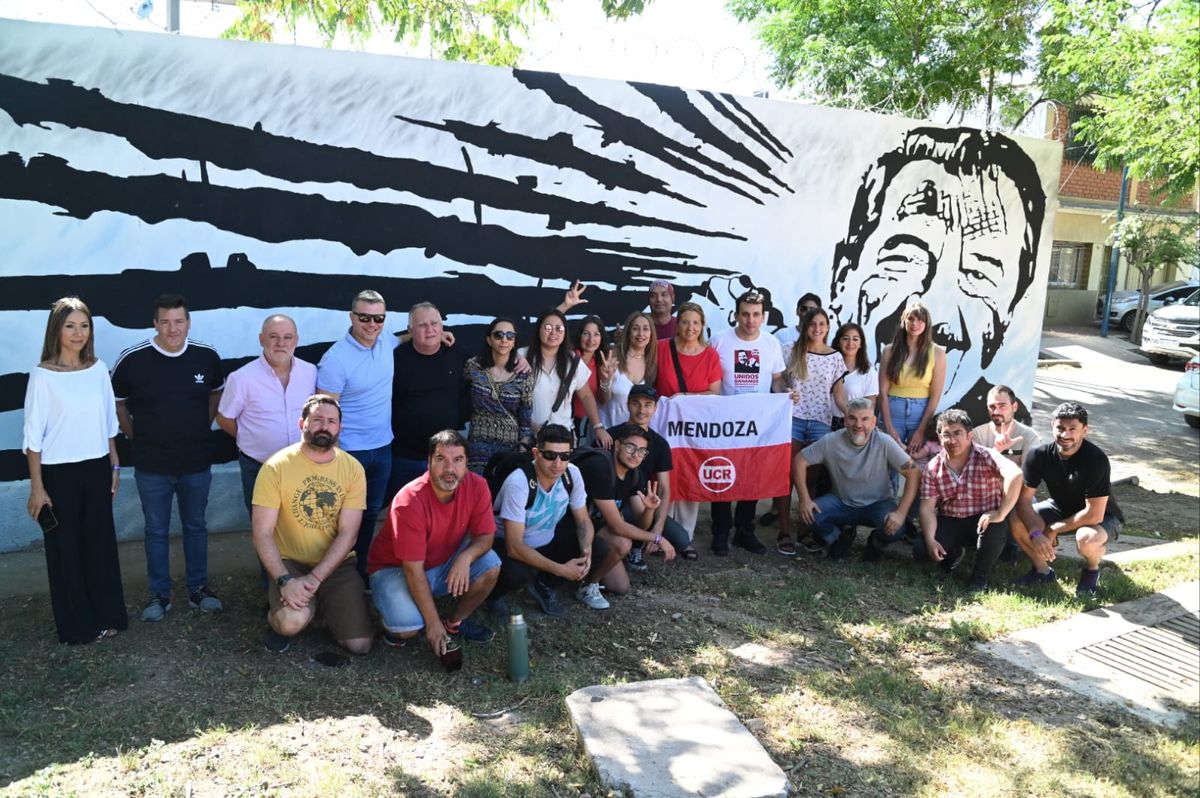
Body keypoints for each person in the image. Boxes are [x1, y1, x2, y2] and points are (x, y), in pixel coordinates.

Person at [828, 126, 1046, 415]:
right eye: (904, 257)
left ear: (1007, 314)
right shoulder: (821, 400)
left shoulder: (992, 437)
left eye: (978, 273)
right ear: (843, 277)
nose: (934, 314)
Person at [111, 293, 224, 622]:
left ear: (188, 322)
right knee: (155, 531)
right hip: (152, 465)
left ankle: (198, 589)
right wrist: (136, 435)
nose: (173, 329)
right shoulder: (133, 359)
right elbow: (117, 403)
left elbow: (216, 393)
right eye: (165, 322)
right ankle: (159, 595)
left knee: (196, 526)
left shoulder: (206, 357)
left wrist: (201, 427)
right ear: (155, 323)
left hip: (196, 463)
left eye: (179, 321)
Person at [23, 297, 127, 644]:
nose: (78, 333)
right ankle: (77, 626)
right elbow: (33, 438)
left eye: (84, 326)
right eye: (70, 326)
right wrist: (38, 488)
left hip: (96, 467)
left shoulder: (98, 369)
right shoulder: (42, 376)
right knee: (66, 549)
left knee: (99, 545)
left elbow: (109, 423)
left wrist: (113, 463)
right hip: (58, 473)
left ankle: (108, 616)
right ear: (56, 330)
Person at [251, 395, 373, 654]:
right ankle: (282, 613)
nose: (324, 426)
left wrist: (316, 578)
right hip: (290, 564)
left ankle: (320, 606)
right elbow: (262, 533)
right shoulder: (276, 467)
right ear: (301, 424)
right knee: (289, 623)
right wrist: (285, 580)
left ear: (339, 427)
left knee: (360, 645)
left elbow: (349, 534)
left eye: (331, 421)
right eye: (317, 419)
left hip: (336, 565)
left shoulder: (353, 469)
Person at [367, 430, 501, 654]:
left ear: (467, 462)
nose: (450, 469)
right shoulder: (410, 501)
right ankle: (393, 609)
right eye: (441, 459)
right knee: (406, 628)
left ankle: (455, 623)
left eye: (458, 460)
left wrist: (465, 558)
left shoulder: (478, 485)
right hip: (396, 569)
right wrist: (432, 624)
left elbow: (486, 536)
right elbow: (412, 569)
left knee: (491, 564)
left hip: (441, 561)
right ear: (428, 462)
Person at [486, 424, 617, 616]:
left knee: (598, 548)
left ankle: (544, 584)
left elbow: (582, 520)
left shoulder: (572, 474)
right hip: (507, 543)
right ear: (536, 453)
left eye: (564, 456)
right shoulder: (519, 482)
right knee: (516, 573)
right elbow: (514, 546)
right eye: (550, 455)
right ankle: (493, 596)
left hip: (546, 538)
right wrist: (562, 570)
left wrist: (586, 550)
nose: (557, 463)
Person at [317, 290, 396, 579]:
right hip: (349, 452)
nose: (371, 324)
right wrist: (333, 457)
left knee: (369, 514)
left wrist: (441, 334)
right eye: (364, 317)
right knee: (339, 519)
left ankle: (359, 571)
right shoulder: (336, 359)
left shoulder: (386, 341)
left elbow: (405, 337)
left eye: (378, 318)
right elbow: (324, 415)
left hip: (383, 449)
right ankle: (333, 575)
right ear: (351, 317)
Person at [1010, 402, 1125, 598]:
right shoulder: (1038, 455)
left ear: (1085, 431)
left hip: (1103, 516)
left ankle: (1091, 569)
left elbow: (1094, 513)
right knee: (1015, 518)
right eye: (1060, 428)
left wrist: (1053, 529)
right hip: (1060, 507)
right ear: (1051, 426)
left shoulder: (1096, 459)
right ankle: (1042, 571)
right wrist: (1036, 532)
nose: (1065, 435)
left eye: (1073, 429)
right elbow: (1023, 500)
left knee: (1086, 538)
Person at [709, 290, 787, 556]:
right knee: (722, 474)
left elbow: (777, 379)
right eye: (745, 314)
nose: (750, 320)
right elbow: (710, 379)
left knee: (751, 476)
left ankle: (745, 531)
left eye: (755, 315)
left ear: (763, 316)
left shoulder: (771, 343)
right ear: (736, 314)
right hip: (725, 422)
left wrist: (786, 393)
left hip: (758, 423)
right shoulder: (719, 340)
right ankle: (720, 532)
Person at [793, 397, 919, 561]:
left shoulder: (884, 442)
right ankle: (839, 537)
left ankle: (876, 543)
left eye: (865, 419)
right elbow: (799, 461)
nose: (858, 424)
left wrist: (901, 513)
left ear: (874, 422)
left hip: (878, 504)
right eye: (852, 418)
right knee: (810, 516)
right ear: (845, 420)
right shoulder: (831, 441)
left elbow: (914, 472)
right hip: (841, 502)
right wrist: (804, 499)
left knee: (898, 527)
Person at [217, 314, 317, 515]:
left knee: (300, 525)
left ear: (296, 340)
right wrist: (250, 438)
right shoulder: (242, 378)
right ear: (261, 339)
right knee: (264, 529)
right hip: (259, 467)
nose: (281, 343)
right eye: (273, 336)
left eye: (288, 337)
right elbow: (223, 418)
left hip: (301, 466)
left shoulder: (311, 372)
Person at [918, 409, 1023, 592]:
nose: (952, 440)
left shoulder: (987, 455)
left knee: (995, 526)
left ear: (969, 435)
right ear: (939, 437)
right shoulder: (932, 467)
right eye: (946, 435)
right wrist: (929, 540)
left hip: (982, 518)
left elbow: (1015, 474)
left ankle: (979, 577)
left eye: (958, 433)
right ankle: (953, 555)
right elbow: (927, 509)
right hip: (951, 519)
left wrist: (1001, 513)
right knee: (920, 550)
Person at [575, 423, 684, 595]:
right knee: (622, 542)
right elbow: (617, 526)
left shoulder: (634, 474)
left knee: (620, 586)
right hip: (571, 527)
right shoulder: (601, 466)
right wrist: (657, 538)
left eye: (642, 451)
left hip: (595, 528)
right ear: (617, 445)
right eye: (631, 447)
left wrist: (649, 509)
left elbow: (642, 524)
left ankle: (587, 578)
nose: (636, 455)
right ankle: (589, 587)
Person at [779, 306, 847, 555]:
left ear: (828, 327)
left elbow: (838, 395)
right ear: (805, 326)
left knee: (811, 480)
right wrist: (784, 391)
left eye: (822, 324)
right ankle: (784, 532)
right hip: (792, 419)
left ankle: (805, 531)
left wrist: (851, 412)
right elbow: (778, 381)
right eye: (812, 324)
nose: (817, 329)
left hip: (821, 422)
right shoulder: (789, 351)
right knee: (786, 478)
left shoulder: (835, 357)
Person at [387, 302, 472, 499]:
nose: (430, 329)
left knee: (445, 515)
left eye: (434, 323)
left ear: (443, 326)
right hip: (404, 457)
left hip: (446, 459)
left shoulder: (458, 354)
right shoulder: (394, 358)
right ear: (410, 330)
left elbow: (494, 367)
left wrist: (520, 359)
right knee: (403, 513)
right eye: (422, 325)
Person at [653, 301, 722, 541]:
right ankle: (659, 532)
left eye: (695, 322)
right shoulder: (661, 348)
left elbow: (715, 394)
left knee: (689, 473)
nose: (690, 327)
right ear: (677, 324)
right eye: (685, 321)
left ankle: (684, 535)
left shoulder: (711, 356)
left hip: (694, 430)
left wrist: (684, 397)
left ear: (702, 325)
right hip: (664, 426)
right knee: (662, 473)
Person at [621, 384, 696, 564]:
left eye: (648, 405)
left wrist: (658, 527)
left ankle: (645, 537)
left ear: (655, 408)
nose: (641, 410)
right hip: (615, 502)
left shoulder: (660, 444)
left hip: (644, 502)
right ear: (627, 404)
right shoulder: (612, 435)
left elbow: (664, 488)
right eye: (636, 404)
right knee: (635, 516)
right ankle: (635, 546)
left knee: (682, 539)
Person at [525, 308, 611, 448]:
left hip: (562, 440)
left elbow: (586, 396)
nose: (553, 332)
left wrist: (598, 427)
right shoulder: (523, 357)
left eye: (559, 328)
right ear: (538, 329)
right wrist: (529, 425)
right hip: (529, 438)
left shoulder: (573, 361)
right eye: (548, 327)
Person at [463, 317, 533, 473]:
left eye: (510, 336)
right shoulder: (473, 366)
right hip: (478, 446)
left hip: (510, 448)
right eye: (498, 335)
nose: (504, 340)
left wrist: (523, 446)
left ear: (514, 342)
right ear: (489, 340)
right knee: (478, 492)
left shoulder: (523, 374)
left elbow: (526, 415)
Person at [879, 300, 947, 457]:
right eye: (910, 319)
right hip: (892, 411)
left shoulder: (937, 353)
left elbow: (935, 394)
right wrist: (889, 428)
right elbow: (882, 391)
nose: (915, 323)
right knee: (888, 462)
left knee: (917, 465)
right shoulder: (889, 351)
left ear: (927, 323)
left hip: (921, 414)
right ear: (903, 321)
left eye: (920, 319)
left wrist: (921, 430)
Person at [599, 310, 658, 429]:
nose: (640, 333)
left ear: (651, 334)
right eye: (635, 328)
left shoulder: (653, 362)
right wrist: (605, 380)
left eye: (646, 329)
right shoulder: (613, 357)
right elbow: (602, 400)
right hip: (609, 434)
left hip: (637, 439)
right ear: (628, 332)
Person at [972, 384, 1040, 466]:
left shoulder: (1029, 436)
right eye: (992, 407)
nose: (996, 412)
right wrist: (996, 450)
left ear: (1014, 407)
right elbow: (974, 470)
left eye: (1002, 406)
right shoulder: (977, 434)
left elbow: (1029, 473)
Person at [571, 315, 612, 445]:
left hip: (587, 425)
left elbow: (603, 400)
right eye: (586, 334)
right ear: (579, 336)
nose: (591, 339)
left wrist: (606, 381)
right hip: (565, 422)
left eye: (596, 334)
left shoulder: (601, 362)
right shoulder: (570, 356)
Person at [830, 322, 878, 431]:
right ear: (838, 342)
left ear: (861, 344)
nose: (850, 343)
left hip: (854, 425)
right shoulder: (828, 366)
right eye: (845, 338)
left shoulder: (868, 372)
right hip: (824, 423)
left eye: (855, 339)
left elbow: (869, 406)